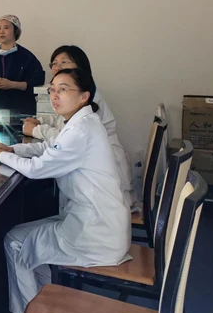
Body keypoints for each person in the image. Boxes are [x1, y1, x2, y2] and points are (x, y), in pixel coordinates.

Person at [0, 68, 130, 313]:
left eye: (63, 90)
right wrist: (13, 149)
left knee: (16, 242)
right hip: (94, 221)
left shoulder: (80, 130)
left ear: (84, 96)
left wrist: (2, 155)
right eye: (52, 89)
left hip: (96, 233)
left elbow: (37, 169)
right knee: (24, 239)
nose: (54, 95)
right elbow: (48, 147)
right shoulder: (80, 122)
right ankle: (44, 312)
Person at [22, 46, 135, 209]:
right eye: (54, 63)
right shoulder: (73, 92)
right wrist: (39, 121)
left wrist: (36, 130)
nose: (57, 67)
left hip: (103, 188)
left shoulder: (87, 97)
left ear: (80, 66)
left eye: (64, 62)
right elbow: (61, 121)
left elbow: (68, 137)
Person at [0, 15, 44, 115]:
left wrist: (12, 84)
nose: (1, 32)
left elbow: (37, 83)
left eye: (6, 28)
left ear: (15, 31)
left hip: (21, 110)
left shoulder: (27, 56)